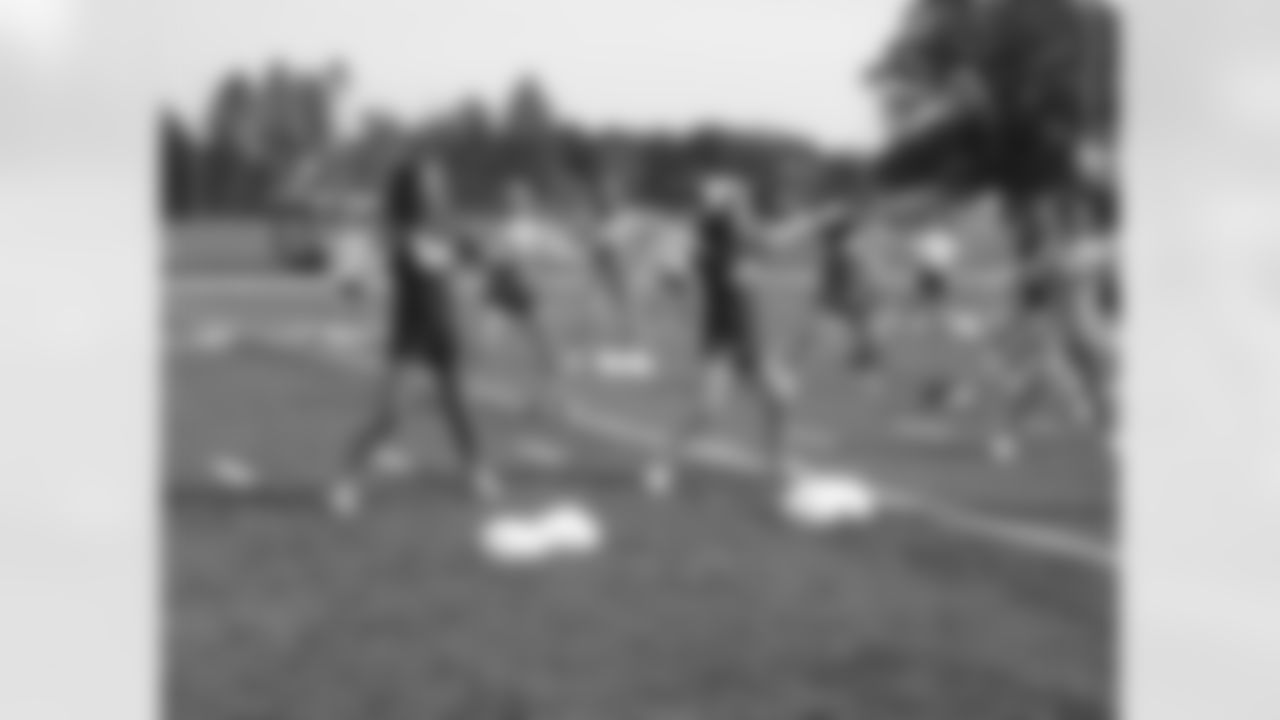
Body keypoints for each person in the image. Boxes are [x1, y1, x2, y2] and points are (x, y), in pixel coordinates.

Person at [328, 155, 498, 515]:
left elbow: (481, 260)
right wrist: (354, 283)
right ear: (414, 191)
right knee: (389, 415)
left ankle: (476, 470)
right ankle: (348, 479)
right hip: (408, 336)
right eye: (429, 182)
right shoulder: (398, 234)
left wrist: (483, 290)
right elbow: (361, 276)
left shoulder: (449, 230)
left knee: (457, 408)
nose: (437, 188)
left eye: (439, 183)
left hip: (443, 333)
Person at [642, 174, 796, 495]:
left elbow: (772, 240)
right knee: (709, 410)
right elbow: (675, 267)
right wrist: (673, 278)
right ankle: (664, 462)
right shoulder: (712, 241)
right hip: (723, 337)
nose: (744, 210)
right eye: (737, 205)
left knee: (780, 396)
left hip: (750, 334)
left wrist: (816, 221)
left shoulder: (738, 237)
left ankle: (776, 465)